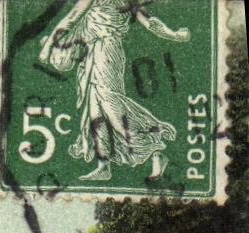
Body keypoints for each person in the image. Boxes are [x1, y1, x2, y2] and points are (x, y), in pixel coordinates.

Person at [40, 0, 191, 181]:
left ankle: (155, 151)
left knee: (113, 110)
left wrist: (48, 46)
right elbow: (151, 22)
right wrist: (175, 35)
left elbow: (71, 19)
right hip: (93, 53)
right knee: (96, 114)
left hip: (106, 53)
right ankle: (104, 165)